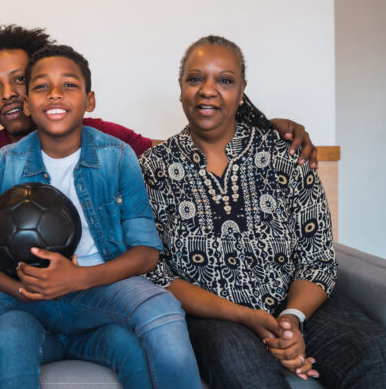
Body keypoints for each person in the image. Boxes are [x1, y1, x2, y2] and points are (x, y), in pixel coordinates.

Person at [0, 44, 202, 389]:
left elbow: (146, 253)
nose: (54, 94)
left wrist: (79, 278)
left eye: (68, 85)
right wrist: (17, 287)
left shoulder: (116, 155)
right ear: (27, 103)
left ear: (89, 100)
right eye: (41, 86)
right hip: (23, 292)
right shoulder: (7, 161)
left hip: (97, 286)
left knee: (163, 309)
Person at [138, 35, 386, 388]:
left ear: (242, 92)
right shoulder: (153, 168)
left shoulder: (288, 155)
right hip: (215, 319)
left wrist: (291, 319)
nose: (208, 90)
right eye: (195, 78)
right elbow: (155, 272)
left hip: (298, 305)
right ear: (180, 87)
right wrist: (244, 315)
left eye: (225, 80)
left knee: (374, 353)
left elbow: (317, 256)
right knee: (244, 371)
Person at [0, 23, 319, 175]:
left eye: (20, 80)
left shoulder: (104, 139)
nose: (8, 94)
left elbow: (180, 155)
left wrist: (263, 128)